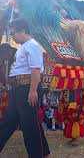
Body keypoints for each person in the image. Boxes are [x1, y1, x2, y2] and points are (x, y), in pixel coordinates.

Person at [0, 18, 50, 158]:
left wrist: (33, 91)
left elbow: (35, 70)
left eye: (14, 33)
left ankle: (37, 155)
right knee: (8, 121)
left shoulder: (32, 45)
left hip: (27, 88)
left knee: (29, 126)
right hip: (17, 89)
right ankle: (43, 153)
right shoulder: (23, 47)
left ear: (22, 30)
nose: (13, 37)